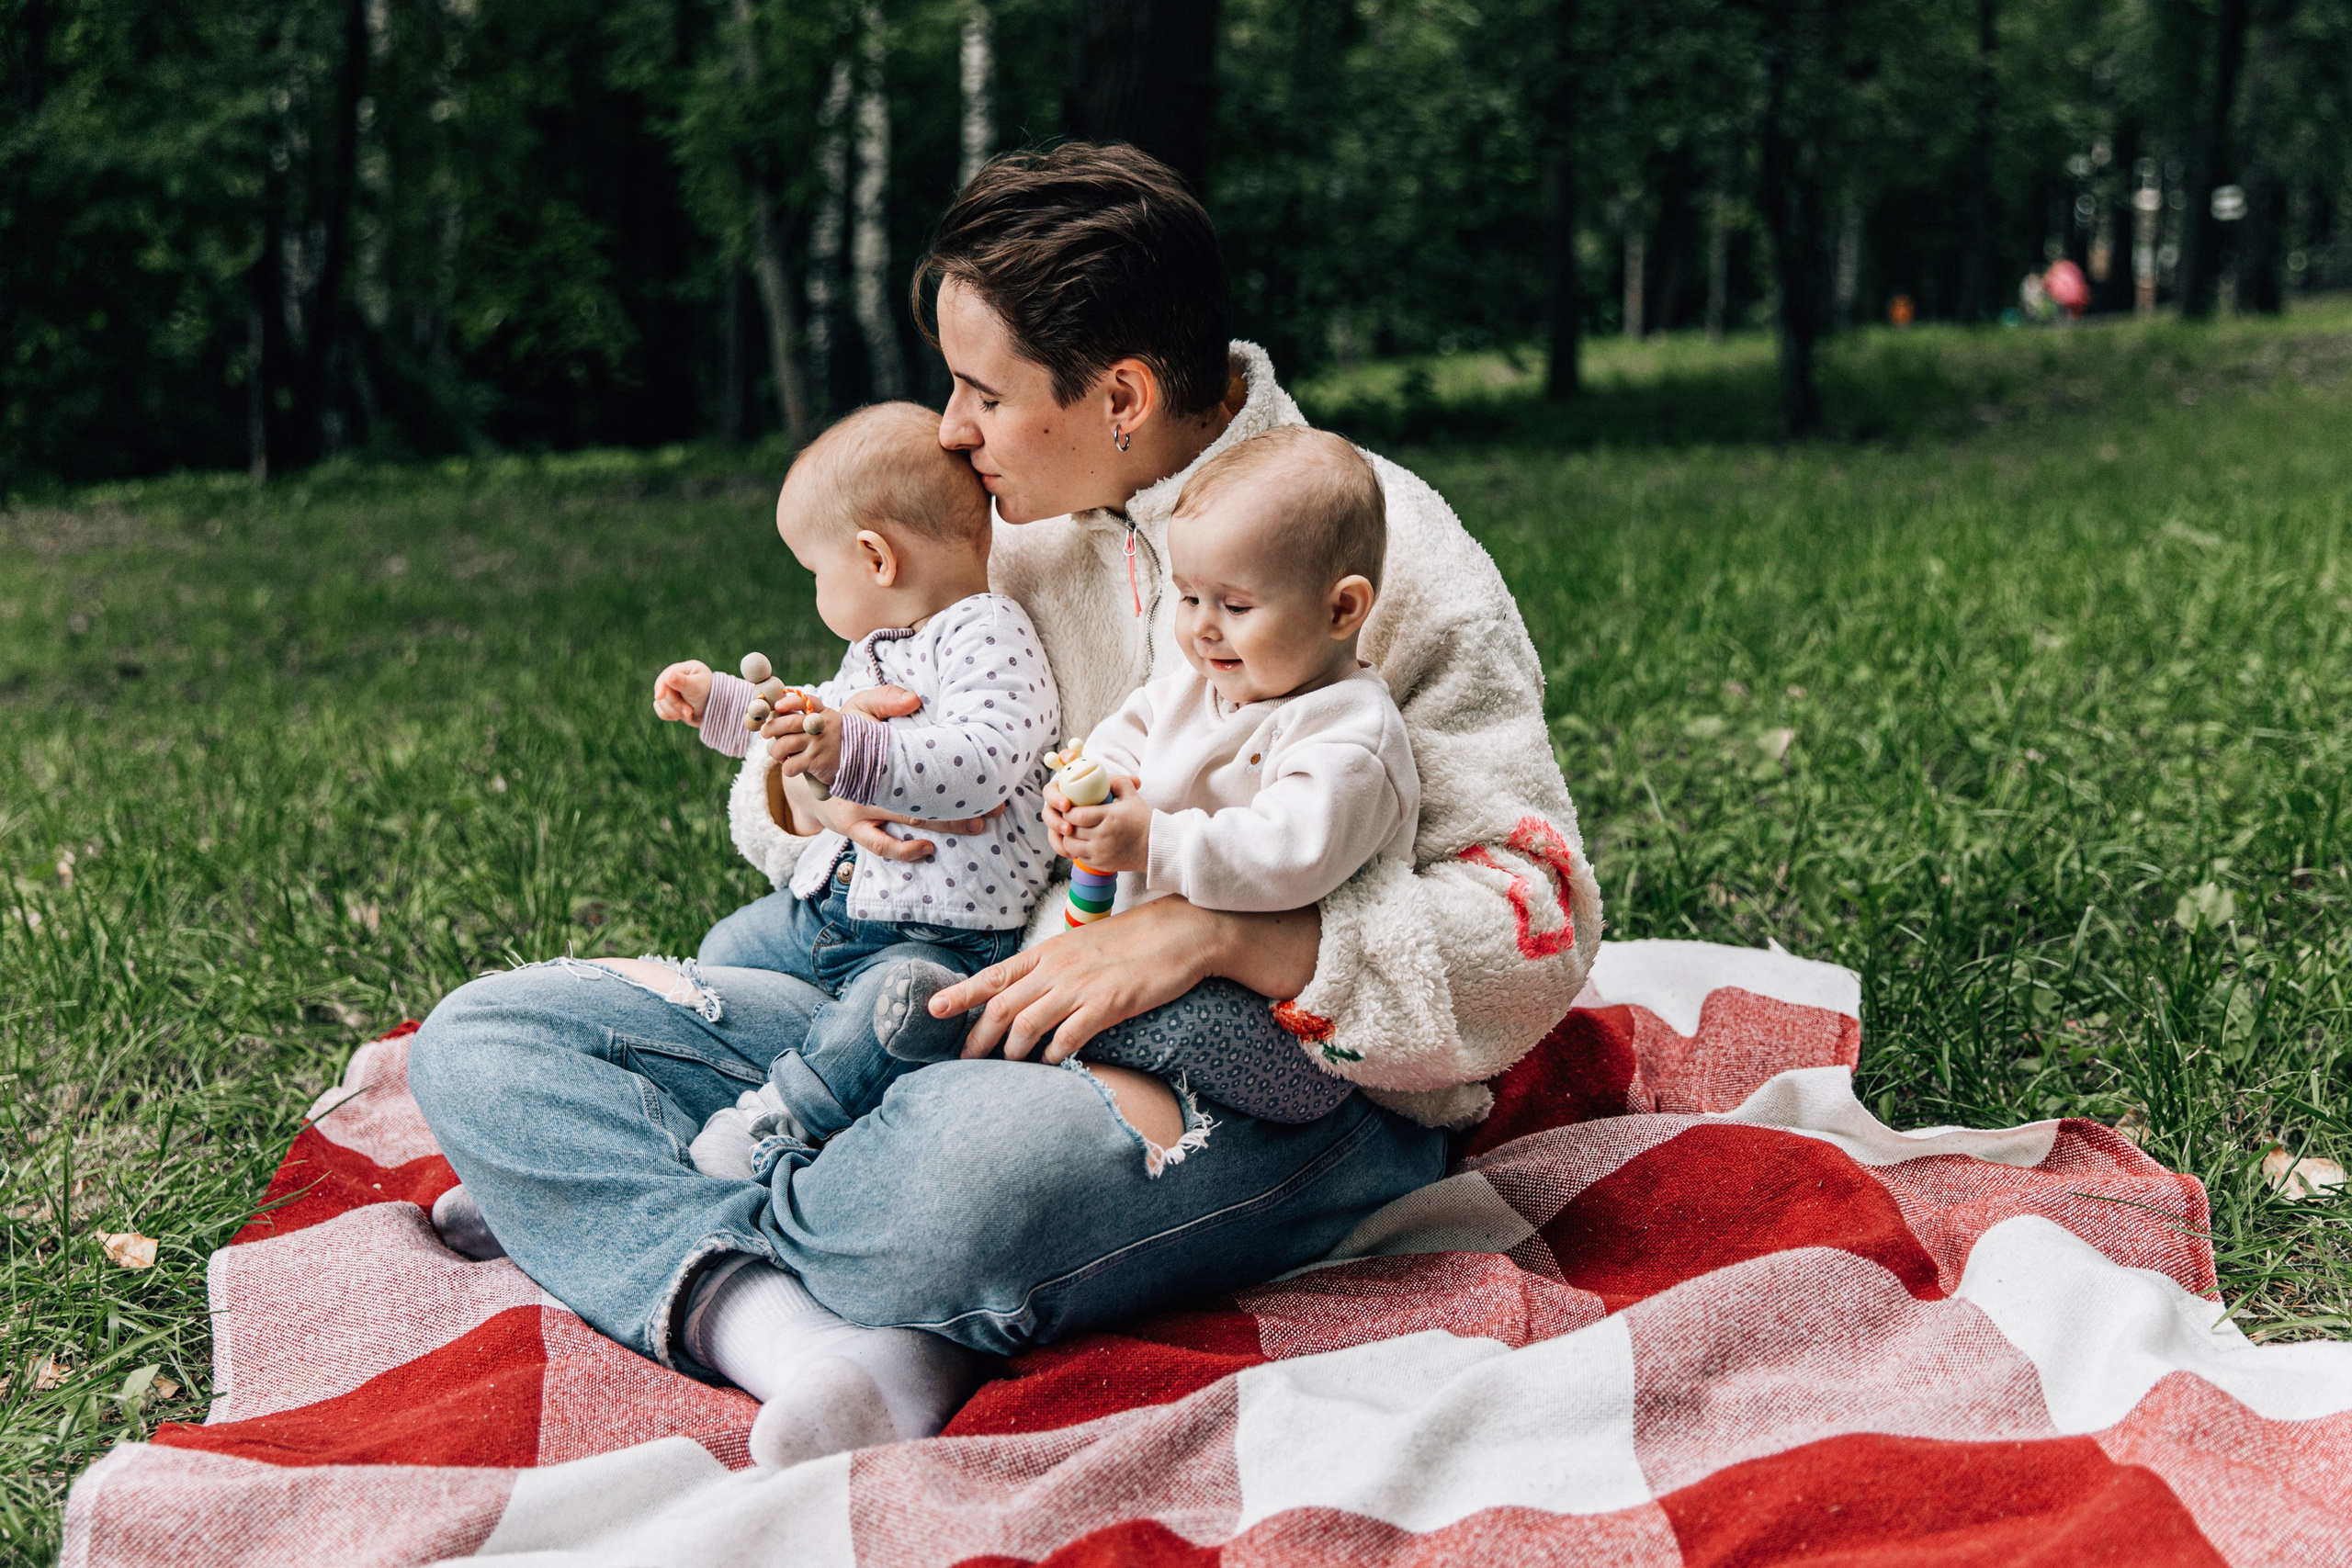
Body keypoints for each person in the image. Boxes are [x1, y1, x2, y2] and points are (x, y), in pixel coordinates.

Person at [407, 141, 1602, 1471]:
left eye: (981, 388)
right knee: (480, 1043)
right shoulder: (1010, 539)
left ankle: (642, 1213)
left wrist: (1222, 937)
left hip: (1268, 1087)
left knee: (950, 1188)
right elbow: (843, 768)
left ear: (1124, 395)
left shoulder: (1381, 555)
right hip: (927, 1000)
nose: (951, 428)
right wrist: (811, 792)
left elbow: (1535, 914)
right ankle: (793, 1330)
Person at [943, 423, 1416, 1130]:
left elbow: (1288, 855)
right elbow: (1120, 741)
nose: (1202, 628)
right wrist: (1090, 792)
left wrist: (1154, 842)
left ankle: (977, 1041)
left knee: (1078, 1020)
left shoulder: (1350, 734)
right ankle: (983, 1040)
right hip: (1158, 970)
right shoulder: (1199, 688)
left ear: (1341, 608)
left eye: (1236, 605)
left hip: (1293, 1035)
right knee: (1077, 1003)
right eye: (1189, 598)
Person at [646, 400, 1059, 1145]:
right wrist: (720, 700)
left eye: (813, 570)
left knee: (892, 1011)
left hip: (941, 936)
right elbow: (806, 716)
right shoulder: (881, 647)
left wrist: (855, 753)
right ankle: (719, 1070)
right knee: (725, 956)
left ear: (876, 557)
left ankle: (780, 1120)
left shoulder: (991, 632)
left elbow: (986, 761)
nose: (814, 590)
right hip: (836, 908)